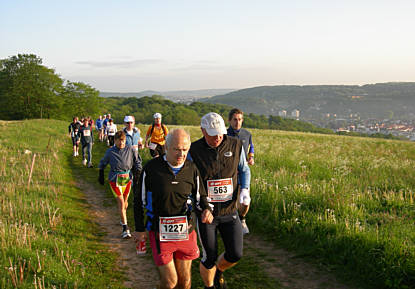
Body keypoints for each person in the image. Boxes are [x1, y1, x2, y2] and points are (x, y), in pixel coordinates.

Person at [134, 129, 213, 289]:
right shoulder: (151, 169)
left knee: (184, 283)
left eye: (185, 149)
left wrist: (206, 209)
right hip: (159, 232)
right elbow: (138, 201)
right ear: (167, 147)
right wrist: (139, 229)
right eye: (177, 149)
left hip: (185, 231)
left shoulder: (192, 169)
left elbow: (201, 196)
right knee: (170, 282)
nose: (181, 154)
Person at [189, 112, 251, 289]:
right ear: (202, 131)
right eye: (212, 134)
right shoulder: (194, 150)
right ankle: (209, 286)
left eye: (219, 133)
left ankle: (219, 271)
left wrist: (245, 189)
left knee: (235, 253)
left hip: (229, 209)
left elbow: (244, 169)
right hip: (206, 213)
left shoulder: (235, 145)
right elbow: (187, 176)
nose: (217, 138)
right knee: (209, 256)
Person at [98, 131, 142, 239]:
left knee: (125, 202)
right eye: (119, 141)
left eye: (123, 141)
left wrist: (137, 173)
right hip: (115, 179)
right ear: (115, 140)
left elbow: (137, 162)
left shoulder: (131, 149)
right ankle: (125, 228)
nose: (121, 143)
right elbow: (103, 162)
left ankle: (122, 216)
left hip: (127, 178)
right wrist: (101, 173)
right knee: (121, 203)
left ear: (125, 140)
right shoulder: (110, 151)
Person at [227, 108, 255, 234]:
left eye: (239, 119)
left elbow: (251, 146)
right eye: (234, 120)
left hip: (243, 171)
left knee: (245, 200)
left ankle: (242, 219)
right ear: (229, 121)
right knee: (230, 199)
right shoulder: (224, 134)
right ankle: (229, 223)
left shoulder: (247, 134)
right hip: (229, 172)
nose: (237, 122)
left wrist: (251, 157)